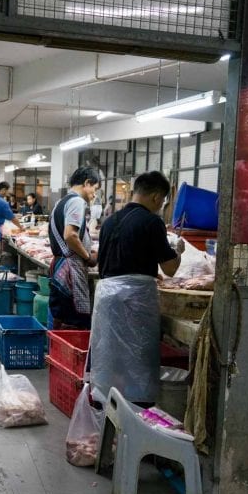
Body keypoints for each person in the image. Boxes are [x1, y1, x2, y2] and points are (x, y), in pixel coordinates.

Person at [90, 171, 185, 406]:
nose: (161, 206)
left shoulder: (110, 220)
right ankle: (137, 410)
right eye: (163, 201)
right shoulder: (152, 222)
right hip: (135, 299)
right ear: (155, 197)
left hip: (106, 297)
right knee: (138, 356)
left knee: (109, 356)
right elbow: (170, 268)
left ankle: (105, 405)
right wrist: (179, 251)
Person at [47, 167, 100, 330]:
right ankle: (68, 354)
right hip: (70, 270)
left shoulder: (61, 202)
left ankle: (57, 352)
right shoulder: (77, 202)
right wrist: (87, 257)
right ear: (87, 183)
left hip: (61, 267)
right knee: (74, 323)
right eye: (94, 189)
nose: (94, 195)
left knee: (61, 317)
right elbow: (70, 235)